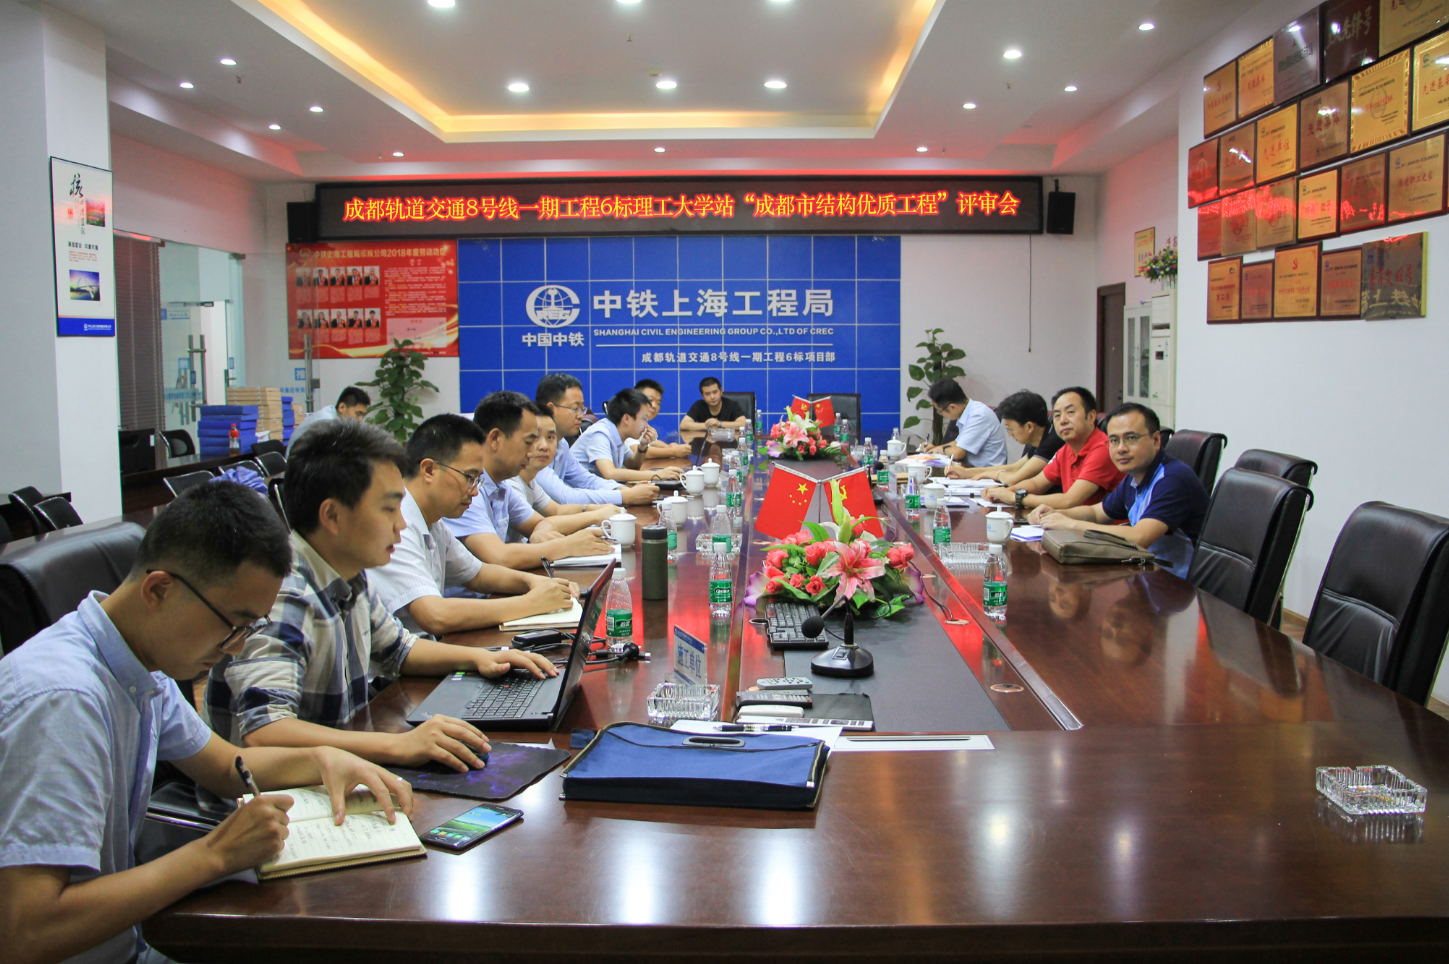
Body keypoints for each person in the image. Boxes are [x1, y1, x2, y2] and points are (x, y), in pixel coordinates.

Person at [0, 483, 412, 964]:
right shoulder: (63, 700)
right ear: (158, 589)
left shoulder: (138, 665)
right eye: (233, 624)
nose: (236, 648)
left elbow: (224, 766)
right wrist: (215, 853)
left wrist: (323, 759)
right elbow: (26, 931)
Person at [207, 419, 557, 776]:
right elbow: (265, 732)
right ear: (332, 516)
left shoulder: (349, 574)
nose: (401, 524)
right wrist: (397, 745)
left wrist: (484, 658)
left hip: (341, 767)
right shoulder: (284, 597)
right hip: (278, 796)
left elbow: (399, 649)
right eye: (389, 509)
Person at [367, 414, 584, 636]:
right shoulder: (398, 526)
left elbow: (478, 574)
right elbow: (435, 615)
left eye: (478, 480)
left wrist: (534, 582)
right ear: (430, 470)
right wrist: (530, 603)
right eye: (469, 477)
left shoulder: (434, 522)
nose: (474, 491)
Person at [445, 392, 618, 570]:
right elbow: (499, 557)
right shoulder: (467, 489)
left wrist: (540, 532)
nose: (533, 451)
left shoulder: (501, 485)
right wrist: (568, 545)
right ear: (495, 439)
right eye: (528, 442)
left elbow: (542, 522)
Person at [1038, 403, 1210, 579]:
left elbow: (1139, 538)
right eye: (1114, 440)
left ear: (1156, 440)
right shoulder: (1134, 476)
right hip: (1148, 574)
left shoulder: (1173, 479)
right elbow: (1097, 513)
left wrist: (1071, 524)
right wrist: (1056, 514)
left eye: (1131, 438)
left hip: (1179, 586)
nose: (1121, 448)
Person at [985, 386, 1124, 518]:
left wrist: (1016, 498)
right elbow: (1036, 484)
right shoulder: (1066, 449)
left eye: (1070, 412)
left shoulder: (1103, 448)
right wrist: (1003, 492)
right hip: (1072, 524)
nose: (1062, 420)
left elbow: (1069, 500)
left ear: (1091, 417)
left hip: (1104, 530)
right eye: (1057, 415)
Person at [533, 374, 661, 507]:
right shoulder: (534, 449)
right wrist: (625, 496)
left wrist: (624, 490)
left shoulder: (562, 444)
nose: (580, 415)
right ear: (551, 409)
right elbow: (565, 497)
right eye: (575, 409)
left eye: (582, 409)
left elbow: (588, 480)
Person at [505, 411, 619, 542]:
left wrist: (593, 508)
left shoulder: (530, 480)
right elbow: (539, 527)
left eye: (550, 437)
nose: (544, 446)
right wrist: (596, 516)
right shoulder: (509, 482)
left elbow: (557, 510)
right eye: (534, 437)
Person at [948, 389, 1063, 485]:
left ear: (1029, 426)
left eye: (1010, 429)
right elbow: (1014, 467)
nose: (1009, 434)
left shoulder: (1052, 443)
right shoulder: (1041, 439)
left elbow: (1015, 478)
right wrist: (966, 472)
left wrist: (992, 474)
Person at [574, 388, 684, 483]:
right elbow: (610, 473)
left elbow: (632, 465)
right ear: (626, 418)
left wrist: (642, 447)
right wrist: (658, 475)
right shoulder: (600, 434)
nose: (646, 426)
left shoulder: (618, 433)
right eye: (644, 419)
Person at [923, 378, 1008, 467]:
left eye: (940, 411)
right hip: (973, 469)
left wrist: (942, 450)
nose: (941, 414)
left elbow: (957, 453)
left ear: (952, 407)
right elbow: (958, 443)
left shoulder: (978, 416)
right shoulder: (969, 411)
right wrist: (935, 448)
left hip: (988, 473)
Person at [287, 386, 371, 455]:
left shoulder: (336, 416)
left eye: (362, 415)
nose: (360, 420)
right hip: (298, 464)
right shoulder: (326, 421)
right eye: (358, 414)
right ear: (342, 407)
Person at [627, 378, 691, 458]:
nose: (654, 406)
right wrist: (673, 451)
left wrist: (669, 447)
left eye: (658, 403)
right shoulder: (627, 422)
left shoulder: (643, 425)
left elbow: (653, 442)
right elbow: (636, 451)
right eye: (650, 400)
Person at [679, 376, 749, 430]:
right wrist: (708, 426)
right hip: (705, 441)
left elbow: (743, 424)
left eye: (715, 392)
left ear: (721, 391)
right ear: (702, 396)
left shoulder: (732, 405)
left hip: (729, 441)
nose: (712, 397)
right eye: (707, 394)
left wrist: (719, 424)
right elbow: (683, 425)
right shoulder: (699, 405)